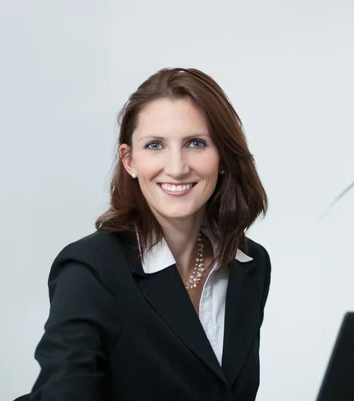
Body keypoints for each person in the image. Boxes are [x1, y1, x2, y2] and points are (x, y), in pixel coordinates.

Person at [26, 68, 271, 401]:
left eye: (196, 143)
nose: (176, 167)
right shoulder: (91, 270)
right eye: (155, 145)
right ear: (130, 161)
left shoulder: (250, 264)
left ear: (223, 157)